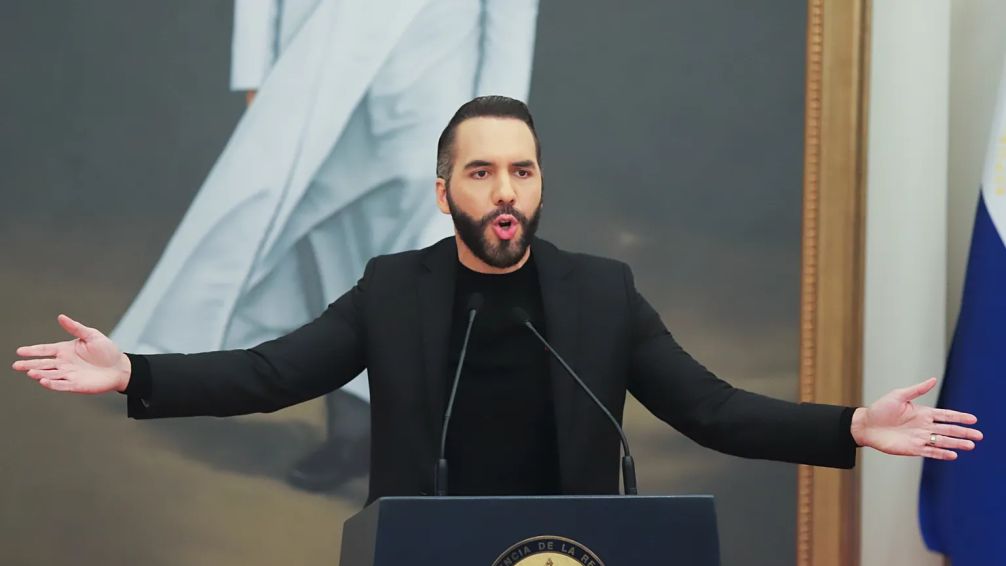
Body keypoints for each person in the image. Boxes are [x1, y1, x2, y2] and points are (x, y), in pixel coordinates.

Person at [12, 96, 983, 503]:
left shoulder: (600, 293)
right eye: (481, 172)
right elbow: (272, 373)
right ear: (445, 193)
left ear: (540, 183)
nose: (505, 189)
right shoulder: (394, 290)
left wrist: (850, 426)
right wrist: (134, 370)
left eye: (521, 169)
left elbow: (710, 408)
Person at [108, 0, 539, 491]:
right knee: (336, 257)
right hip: (317, 63)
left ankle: (437, 445)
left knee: (435, 266)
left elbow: (509, 13)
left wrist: (500, 119)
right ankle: (351, 436)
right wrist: (255, 68)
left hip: (436, 74)